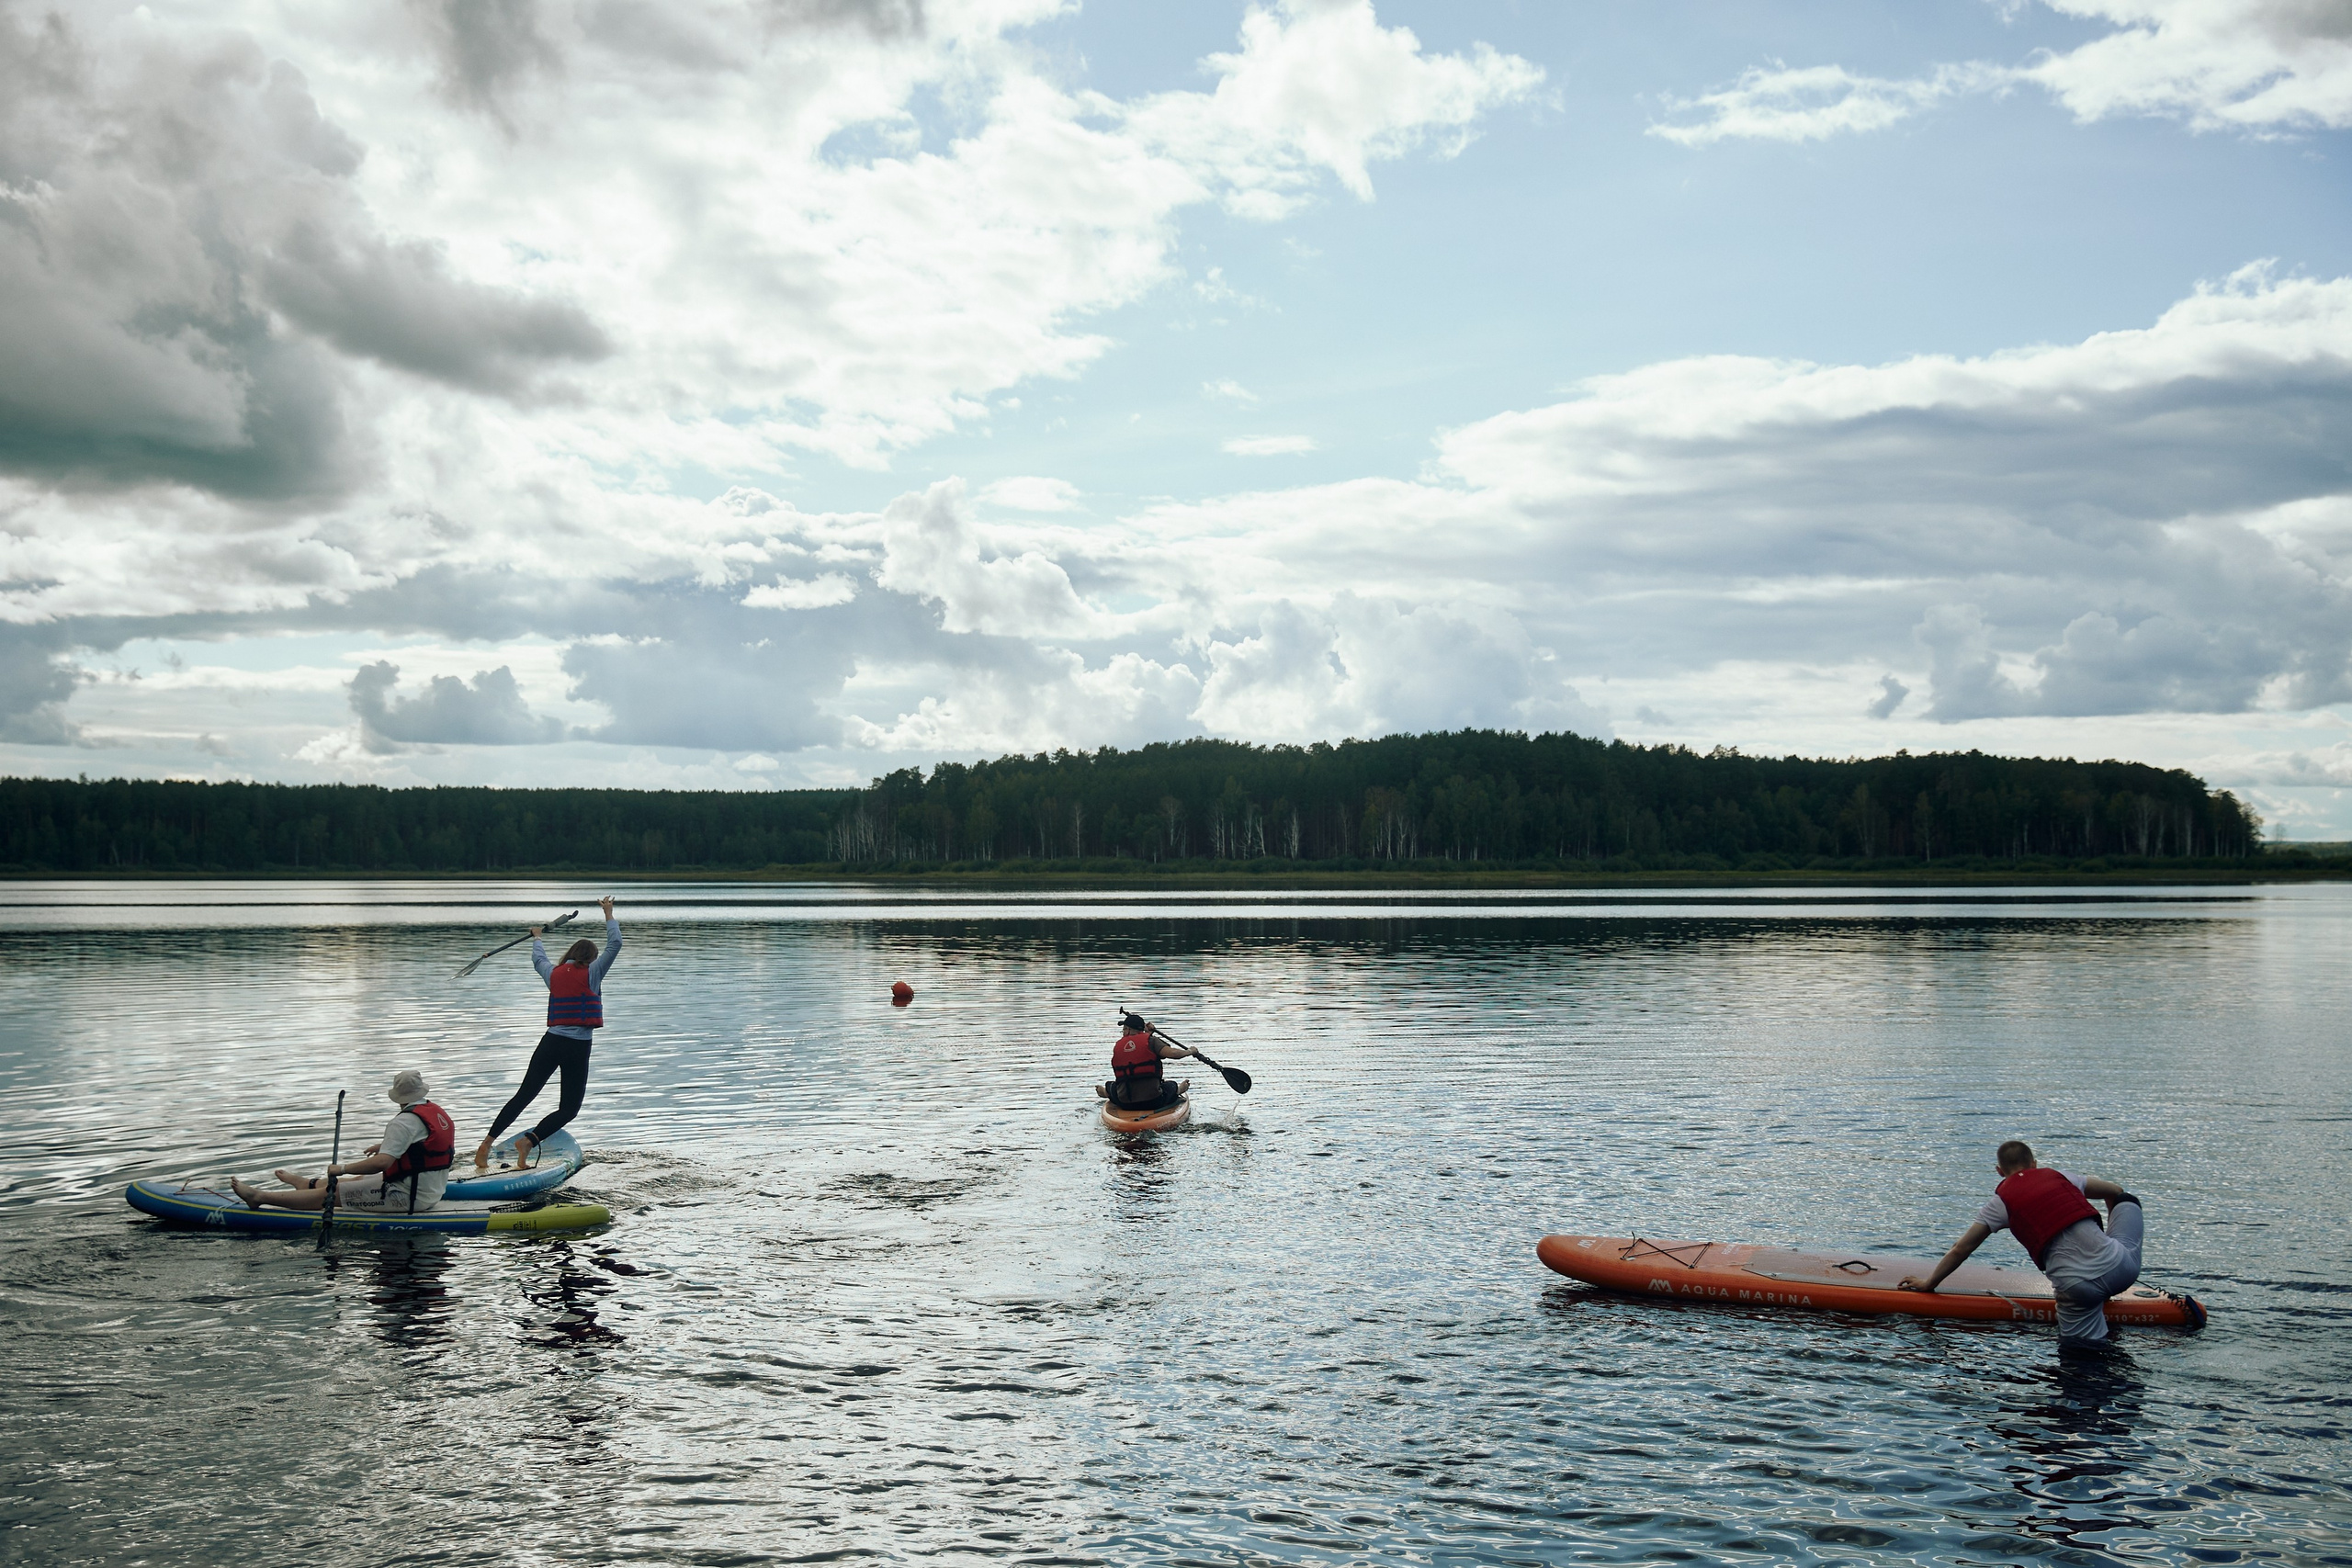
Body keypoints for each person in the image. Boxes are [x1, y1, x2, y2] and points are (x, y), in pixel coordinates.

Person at [1897, 1138, 2151, 1343]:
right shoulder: (2062, 1177)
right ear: (2035, 1164)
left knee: (2084, 1355)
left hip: (2076, 1289)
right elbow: (2115, 1191)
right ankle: (2106, 1291)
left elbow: (1961, 1249)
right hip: (2121, 1268)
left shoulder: (1999, 1204)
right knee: (2127, 1199)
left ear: (1999, 1172)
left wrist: (1929, 1283)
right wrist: (2104, 1244)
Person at [475, 895, 620, 1170]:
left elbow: (538, 959)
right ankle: (529, 1141)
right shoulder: (594, 973)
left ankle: (485, 1145)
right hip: (577, 1048)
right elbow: (616, 944)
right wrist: (608, 914)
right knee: (569, 1109)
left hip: (551, 1042)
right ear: (591, 959)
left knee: (524, 1094)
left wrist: (537, 937)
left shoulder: (552, 973)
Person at [232, 1069, 457, 1213]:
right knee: (357, 1179)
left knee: (331, 1194)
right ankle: (306, 1184)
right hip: (430, 1190)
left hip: (408, 1198)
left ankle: (258, 1197)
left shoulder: (404, 1122)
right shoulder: (435, 1112)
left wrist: (340, 1168)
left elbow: (382, 1163)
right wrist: (385, 1147)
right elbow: (425, 1146)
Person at [1096, 1010, 1192, 1111]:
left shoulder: (1118, 1046)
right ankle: (1180, 1089)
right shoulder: (1152, 1041)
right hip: (1154, 1101)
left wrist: (1148, 1034)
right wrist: (1190, 1051)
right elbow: (1173, 1053)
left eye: (1123, 1030)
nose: (1123, 1032)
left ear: (1128, 1030)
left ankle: (1105, 1092)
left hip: (1125, 1103)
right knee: (1171, 1085)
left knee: (1111, 1086)